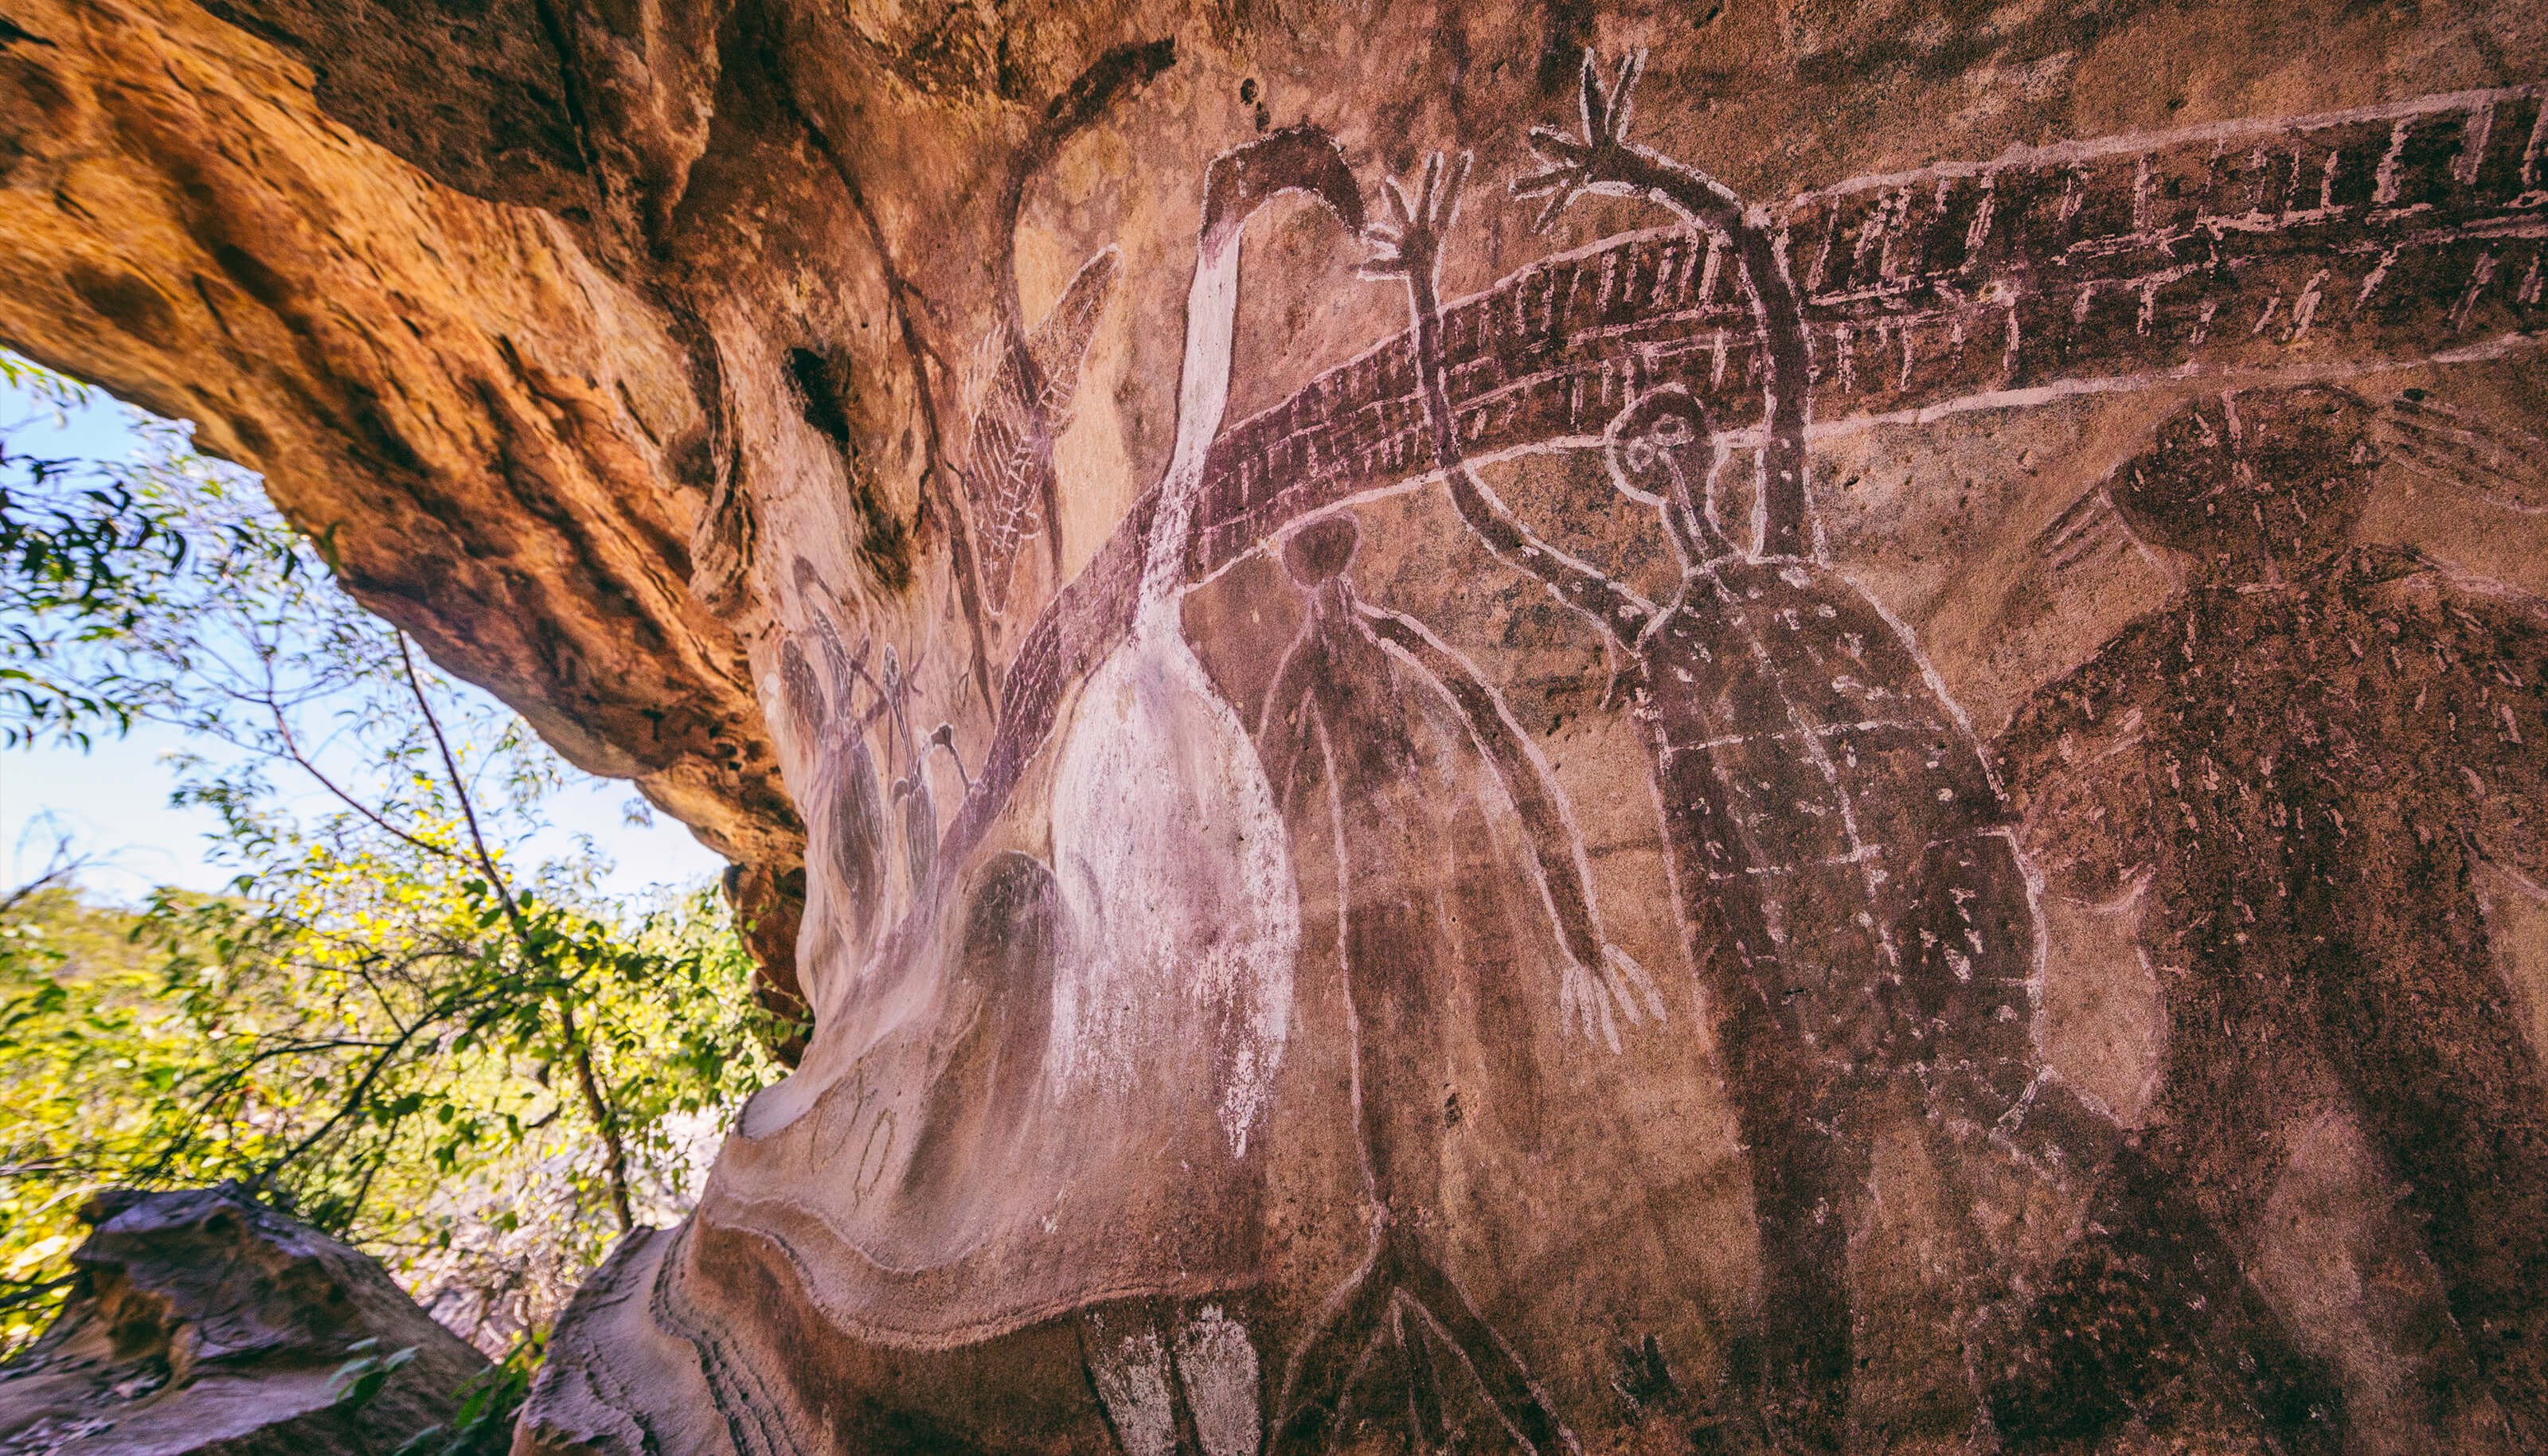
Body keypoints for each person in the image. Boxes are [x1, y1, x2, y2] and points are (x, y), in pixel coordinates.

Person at [1996, 384, 2548, 1450]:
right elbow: (2036, 768)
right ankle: (2038, 1415)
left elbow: (2039, 770)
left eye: (2278, 493)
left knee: (2506, 1219)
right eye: (2231, 505)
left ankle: (2038, 1415)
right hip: (2280, 996)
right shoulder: (2215, 645)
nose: (2263, 536)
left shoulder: (2380, 616)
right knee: (2176, 1231)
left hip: (2380, 983)